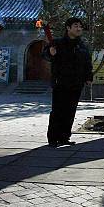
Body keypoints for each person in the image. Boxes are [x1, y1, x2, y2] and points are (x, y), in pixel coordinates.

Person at [42, 17, 93, 147]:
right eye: (76, 26)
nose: (79, 28)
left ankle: (65, 137)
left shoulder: (82, 45)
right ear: (68, 28)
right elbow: (45, 54)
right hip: (60, 82)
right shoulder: (57, 43)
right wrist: (50, 52)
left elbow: (87, 63)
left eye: (80, 26)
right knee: (58, 111)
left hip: (76, 83)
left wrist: (88, 77)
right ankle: (53, 138)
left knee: (70, 111)